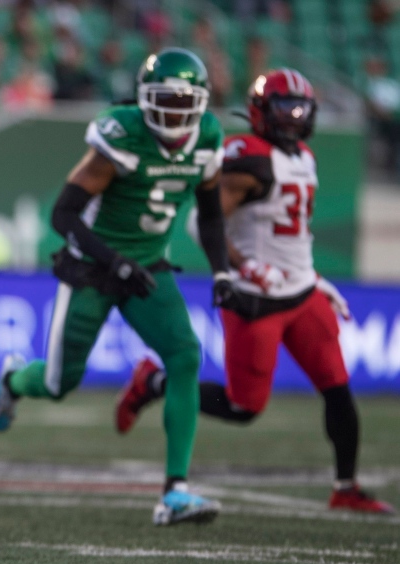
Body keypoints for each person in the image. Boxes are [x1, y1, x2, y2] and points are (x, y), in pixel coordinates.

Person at [117, 68, 395, 515]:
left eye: (302, 109)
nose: (295, 117)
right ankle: (152, 382)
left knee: (338, 390)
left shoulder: (305, 156)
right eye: (285, 108)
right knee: (243, 407)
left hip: (303, 294)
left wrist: (312, 277)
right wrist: (244, 266)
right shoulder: (248, 157)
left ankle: (346, 486)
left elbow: (292, 235)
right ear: (261, 112)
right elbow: (199, 222)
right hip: (253, 299)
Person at [0, 47, 235, 526]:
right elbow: (63, 214)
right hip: (93, 269)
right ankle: (13, 381)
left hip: (147, 270)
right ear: (144, 99)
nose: (177, 113)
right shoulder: (122, 136)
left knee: (186, 356)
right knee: (59, 384)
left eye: (186, 103)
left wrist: (223, 270)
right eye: (166, 100)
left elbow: (210, 216)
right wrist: (113, 261)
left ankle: (176, 491)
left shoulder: (206, 138)